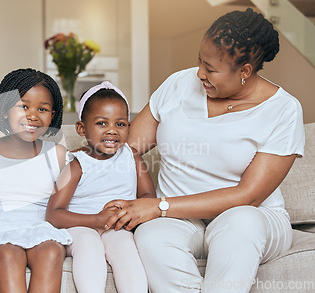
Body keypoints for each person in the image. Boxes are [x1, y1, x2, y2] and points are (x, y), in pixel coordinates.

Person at [104, 8, 305, 293]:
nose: (200, 73)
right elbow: (129, 149)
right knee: (150, 236)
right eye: (200, 60)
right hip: (178, 217)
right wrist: (148, 197)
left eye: (211, 69)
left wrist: (159, 206)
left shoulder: (283, 110)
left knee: (240, 221)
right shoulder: (178, 85)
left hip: (253, 217)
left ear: (245, 71)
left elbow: (248, 195)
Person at [46, 81, 155, 293]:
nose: (112, 131)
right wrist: (95, 220)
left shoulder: (132, 157)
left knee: (125, 246)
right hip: (80, 227)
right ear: (81, 128)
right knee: (89, 244)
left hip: (115, 226)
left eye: (120, 124)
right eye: (102, 123)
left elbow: (149, 195)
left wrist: (130, 209)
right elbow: (53, 214)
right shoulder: (77, 165)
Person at [0, 68, 72, 293]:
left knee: (52, 251)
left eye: (43, 109)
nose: (33, 115)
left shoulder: (57, 154)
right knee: (8, 254)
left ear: (52, 115)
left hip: (42, 227)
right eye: (24, 106)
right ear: (5, 109)